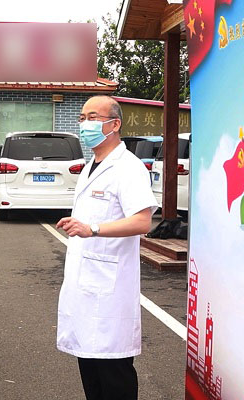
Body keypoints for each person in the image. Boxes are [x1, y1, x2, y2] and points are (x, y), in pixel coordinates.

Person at [56, 96, 158, 400]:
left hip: (110, 291)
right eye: (82, 118)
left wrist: (93, 229)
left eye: (93, 117)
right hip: (85, 285)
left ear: (114, 125)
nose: (84, 124)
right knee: (90, 369)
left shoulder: (128, 168)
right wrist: (81, 225)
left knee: (114, 374)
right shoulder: (90, 166)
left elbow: (142, 221)